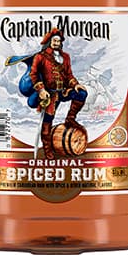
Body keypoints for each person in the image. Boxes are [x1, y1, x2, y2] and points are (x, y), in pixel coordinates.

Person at [29, 28, 87, 159]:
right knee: (47, 122)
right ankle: (47, 148)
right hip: (49, 94)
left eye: (58, 41)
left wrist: (75, 84)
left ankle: (70, 118)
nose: (56, 43)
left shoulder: (65, 57)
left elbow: (69, 75)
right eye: (54, 40)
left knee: (81, 94)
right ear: (49, 41)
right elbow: (33, 74)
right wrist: (41, 90)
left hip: (63, 92)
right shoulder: (40, 56)